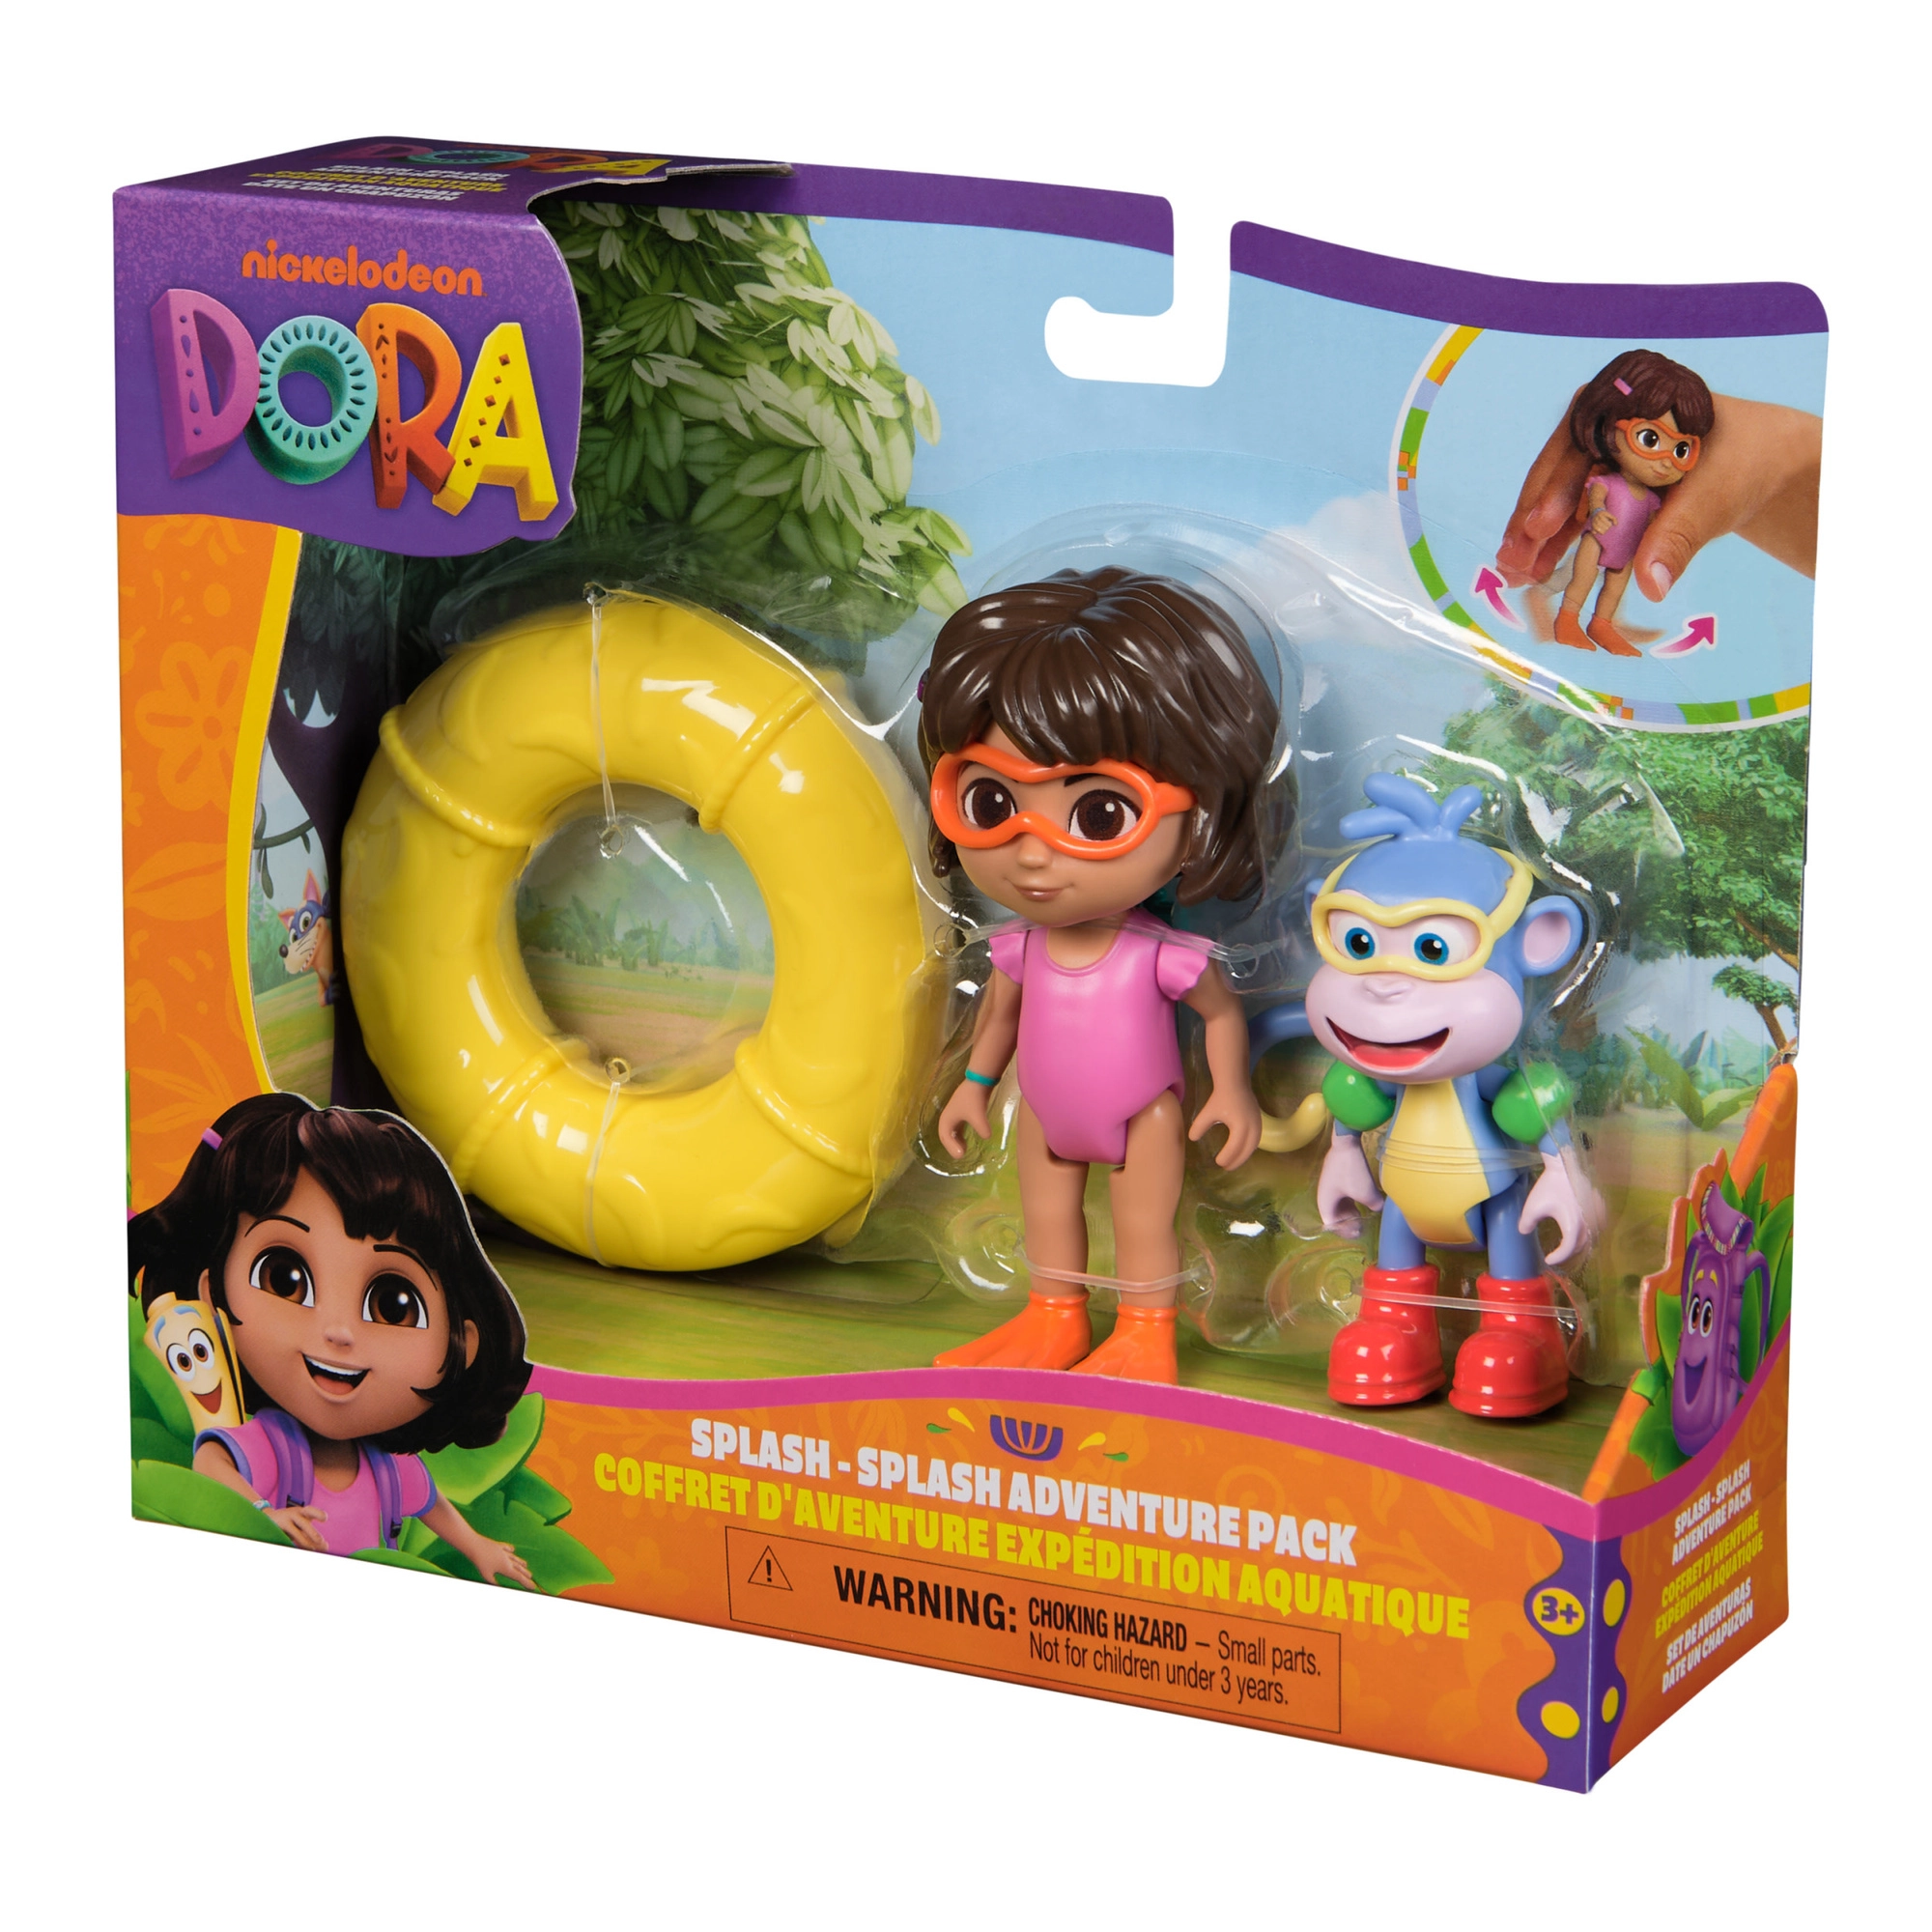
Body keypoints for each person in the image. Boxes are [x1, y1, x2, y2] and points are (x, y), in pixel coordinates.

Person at [922, 568, 1281, 1384]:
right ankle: (1052, 1318)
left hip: (1143, 1116)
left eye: (1097, 813)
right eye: (991, 803)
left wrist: (1232, 1091)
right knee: (1047, 1217)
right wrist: (973, 1085)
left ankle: (1146, 1333)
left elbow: (1222, 1014)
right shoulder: (1022, 946)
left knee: (1142, 1225)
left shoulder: (1159, 952)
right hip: (1044, 1111)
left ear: (1201, 812)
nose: (1033, 853)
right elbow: (999, 1020)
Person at [128, 1094, 535, 1580]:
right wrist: (262, 1513)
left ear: (463, 1344)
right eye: (285, 1279)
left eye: (392, 1305)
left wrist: (479, 1547)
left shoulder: (387, 1469)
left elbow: (431, 1502)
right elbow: (211, 1462)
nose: (338, 1332)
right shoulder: (278, 1446)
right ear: (213, 1290)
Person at [1496, 353, 1821, 644]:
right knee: (1578, 578)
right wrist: (1597, 513)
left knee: (1614, 588)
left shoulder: (1653, 495)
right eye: (1650, 439)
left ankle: (1603, 624)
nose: (1666, 461)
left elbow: (1654, 515)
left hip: (1623, 547)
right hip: (1598, 539)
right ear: (1610, 429)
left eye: (1681, 450)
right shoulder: (1606, 480)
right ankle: (1564, 617)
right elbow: (1596, 496)